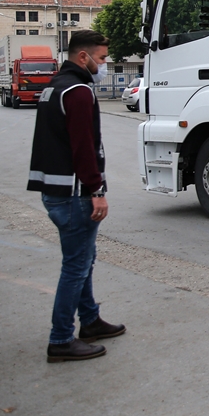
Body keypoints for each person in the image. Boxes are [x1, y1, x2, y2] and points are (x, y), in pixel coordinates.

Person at [27, 29, 125, 362]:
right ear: (82, 57)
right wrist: (96, 190)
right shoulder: (79, 92)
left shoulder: (54, 87)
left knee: (83, 260)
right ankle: (60, 339)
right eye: (100, 58)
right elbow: (83, 148)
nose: (103, 64)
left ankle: (91, 320)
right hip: (74, 194)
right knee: (76, 266)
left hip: (55, 191)